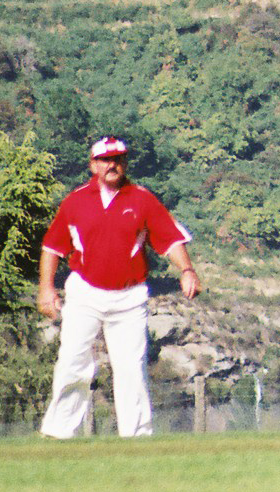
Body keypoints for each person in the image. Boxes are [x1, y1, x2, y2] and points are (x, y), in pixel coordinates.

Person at [38, 136, 201, 438]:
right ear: (93, 165)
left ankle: (136, 437)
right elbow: (52, 247)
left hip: (129, 297)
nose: (112, 165)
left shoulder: (142, 200)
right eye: (105, 160)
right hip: (85, 292)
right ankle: (59, 433)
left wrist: (187, 270)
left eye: (118, 159)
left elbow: (171, 240)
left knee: (129, 369)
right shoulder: (75, 201)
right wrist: (46, 289)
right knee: (73, 361)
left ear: (125, 163)